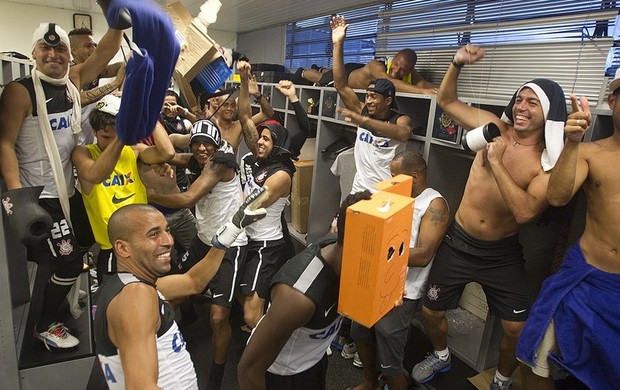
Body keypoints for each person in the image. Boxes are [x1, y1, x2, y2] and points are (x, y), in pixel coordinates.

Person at [410, 44, 568, 390]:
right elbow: (447, 101)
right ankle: (441, 356)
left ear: (549, 113)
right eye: (520, 99)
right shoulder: (494, 126)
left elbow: (526, 212)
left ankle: (500, 379)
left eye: (532, 102)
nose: (521, 107)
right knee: (431, 311)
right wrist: (456, 63)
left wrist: (495, 162)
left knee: (517, 327)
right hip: (459, 241)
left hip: (501, 253)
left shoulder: (545, 164)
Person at [0, 22, 123, 349]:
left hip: (69, 190)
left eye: (60, 50)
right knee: (66, 262)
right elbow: (4, 143)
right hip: (41, 196)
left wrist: (118, 21)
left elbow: (107, 51)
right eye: (45, 48)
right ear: (33, 53)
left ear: (69, 56)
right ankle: (44, 323)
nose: (53, 55)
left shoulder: (73, 82)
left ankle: (66, 291)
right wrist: (17, 197)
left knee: (84, 242)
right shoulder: (20, 91)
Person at [93, 189, 267, 389]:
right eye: (153, 235)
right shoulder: (136, 296)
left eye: (166, 230)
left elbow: (193, 281)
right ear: (123, 248)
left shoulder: (124, 286)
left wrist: (233, 228)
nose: (168, 241)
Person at [516, 86, 618, 388]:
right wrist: (573, 143)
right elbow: (558, 196)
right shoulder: (592, 153)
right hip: (583, 279)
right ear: (612, 101)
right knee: (534, 360)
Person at [147, 119, 246, 390]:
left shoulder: (221, 163)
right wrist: (146, 158)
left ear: (217, 145)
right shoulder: (199, 158)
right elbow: (173, 153)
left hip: (230, 243)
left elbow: (188, 198)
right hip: (203, 241)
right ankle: (188, 318)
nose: (202, 149)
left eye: (207, 144)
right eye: (197, 143)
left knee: (217, 317)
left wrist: (147, 193)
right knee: (177, 286)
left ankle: (216, 373)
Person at [237, 191, 372, 390]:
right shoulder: (297, 297)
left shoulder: (353, 261)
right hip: (283, 375)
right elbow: (248, 371)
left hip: (313, 359)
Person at [349, 151, 449, 390]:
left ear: (414, 176)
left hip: (403, 290)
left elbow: (424, 254)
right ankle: (369, 383)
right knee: (360, 333)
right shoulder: (393, 196)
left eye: (395, 175)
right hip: (375, 279)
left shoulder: (434, 204)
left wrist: (375, 253)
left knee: (390, 358)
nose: (391, 179)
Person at [72, 94, 175, 284]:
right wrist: (121, 136)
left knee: (157, 299)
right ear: (94, 132)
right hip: (114, 250)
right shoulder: (84, 153)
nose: (112, 143)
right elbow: (94, 174)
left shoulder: (133, 150)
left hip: (147, 243)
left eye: (117, 136)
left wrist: (147, 112)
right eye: (106, 137)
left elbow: (167, 152)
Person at [238, 61, 295, 330]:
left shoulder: (282, 174)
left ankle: (269, 352)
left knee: (251, 315)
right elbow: (244, 118)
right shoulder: (256, 158)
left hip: (265, 245)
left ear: (277, 145)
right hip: (245, 237)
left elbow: (255, 204)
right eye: (259, 137)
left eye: (267, 139)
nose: (259, 141)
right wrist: (243, 82)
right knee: (243, 298)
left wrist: (228, 225)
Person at [331, 15, 413, 195]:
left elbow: (404, 134)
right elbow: (341, 85)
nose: (368, 101)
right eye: (367, 96)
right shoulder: (364, 111)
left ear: (388, 101)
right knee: (339, 224)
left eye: (374, 97)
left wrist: (364, 121)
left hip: (385, 195)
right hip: (358, 191)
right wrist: (338, 45)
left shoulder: (400, 119)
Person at [297, 17, 437, 95]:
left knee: (327, 71)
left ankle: (321, 67)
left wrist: (439, 92)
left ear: (409, 69)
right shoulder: (377, 66)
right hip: (348, 75)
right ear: (393, 58)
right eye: (396, 65)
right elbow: (390, 83)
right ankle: (302, 72)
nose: (397, 70)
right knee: (320, 78)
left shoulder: (408, 68)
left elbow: (423, 84)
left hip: (359, 70)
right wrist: (424, 92)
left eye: (402, 70)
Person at [68, 27, 126, 146]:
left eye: (95, 45)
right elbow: (78, 99)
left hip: (86, 141)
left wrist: (129, 63)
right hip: (70, 145)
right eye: (88, 46)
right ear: (74, 50)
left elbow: (111, 69)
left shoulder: (94, 71)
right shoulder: (68, 72)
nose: (94, 49)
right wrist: (115, 83)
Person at [211, 72, 274, 152]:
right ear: (218, 107)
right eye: (225, 105)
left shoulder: (239, 126)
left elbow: (268, 113)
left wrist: (257, 94)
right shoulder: (211, 124)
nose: (229, 108)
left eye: (233, 106)